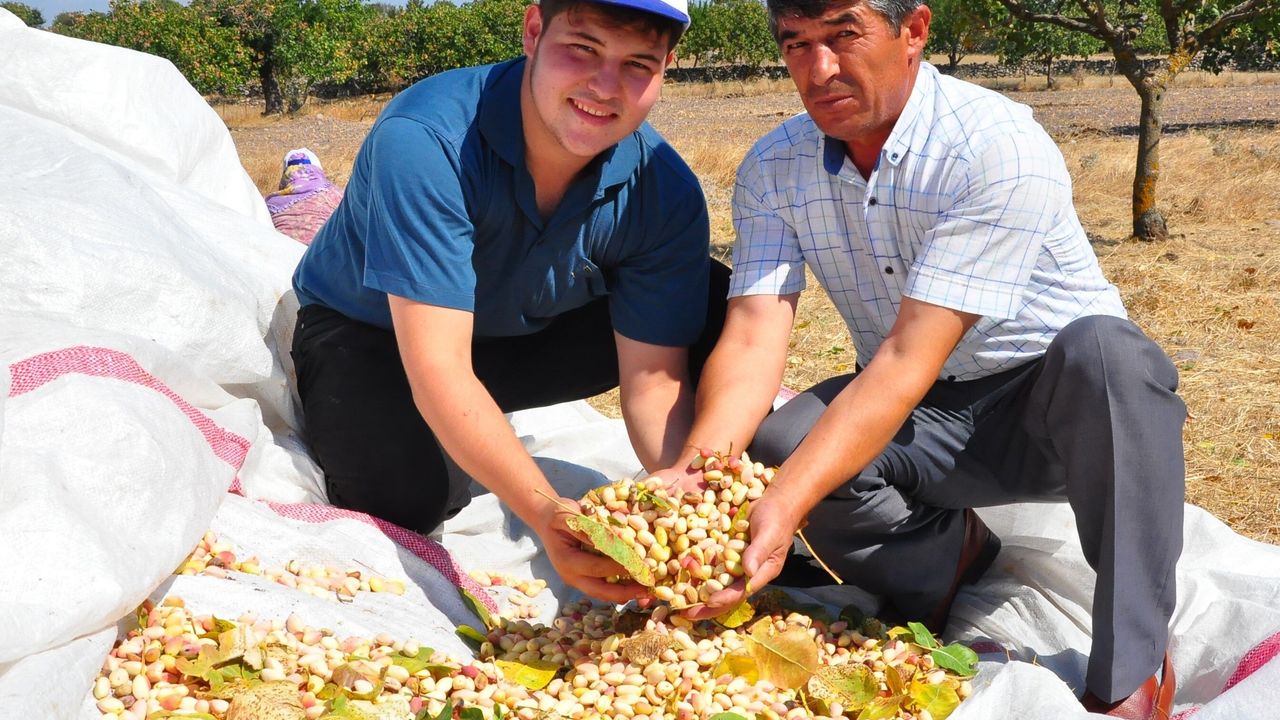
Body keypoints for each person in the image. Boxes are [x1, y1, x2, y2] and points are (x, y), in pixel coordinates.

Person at [658, 1, 1184, 718]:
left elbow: (908, 354)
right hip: (929, 413)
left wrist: (782, 507)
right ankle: (944, 564)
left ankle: (1131, 666)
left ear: (914, 31)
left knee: (1110, 354)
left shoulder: (992, 143)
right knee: (780, 441)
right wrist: (700, 474)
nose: (819, 70)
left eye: (844, 36)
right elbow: (753, 332)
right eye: (796, 45)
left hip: (1059, 410)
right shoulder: (774, 167)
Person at [291, 0, 728, 604]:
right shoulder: (427, 141)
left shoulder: (664, 188)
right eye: (583, 49)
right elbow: (440, 366)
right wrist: (549, 514)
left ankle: (471, 427)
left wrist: (691, 510)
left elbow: (654, 384)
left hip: (510, 339)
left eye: (637, 64)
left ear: (666, 67)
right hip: (378, 335)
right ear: (533, 31)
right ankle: (446, 435)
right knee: (401, 499)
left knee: (713, 299)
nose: (604, 88)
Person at [265, 148, 345, 245]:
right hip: (325, 254)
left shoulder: (270, 204)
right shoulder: (337, 195)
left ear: (286, 174)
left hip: (281, 254)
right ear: (318, 170)